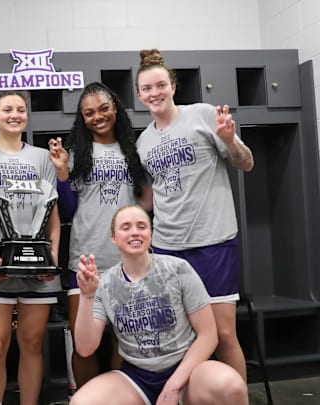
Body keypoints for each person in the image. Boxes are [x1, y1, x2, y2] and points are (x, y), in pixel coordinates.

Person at [134, 49, 254, 381]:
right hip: (168, 248)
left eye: (160, 85)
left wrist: (231, 142)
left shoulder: (202, 114)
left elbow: (246, 162)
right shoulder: (143, 142)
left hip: (212, 242)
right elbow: (151, 199)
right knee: (182, 338)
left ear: (173, 86)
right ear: (139, 95)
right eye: (147, 88)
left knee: (223, 335)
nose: (155, 93)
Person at [70, 205, 248, 405]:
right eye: (126, 227)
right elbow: (85, 348)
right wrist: (87, 297)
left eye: (141, 226)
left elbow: (208, 336)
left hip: (187, 368)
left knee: (232, 387)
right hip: (137, 376)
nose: (135, 232)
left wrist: (173, 386)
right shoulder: (105, 283)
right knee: (81, 402)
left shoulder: (178, 269)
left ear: (151, 234)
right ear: (114, 238)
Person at [48, 81, 151, 387]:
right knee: (84, 344)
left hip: (128, 262)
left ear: (116, 109)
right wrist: (63, 175)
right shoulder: (76, 153)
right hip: (86, 260)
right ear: (83, 118)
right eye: (89, 113)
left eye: (104, 108)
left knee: (127, 340)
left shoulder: (136, 150)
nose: (98, 117)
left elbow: (149, 204)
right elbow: (66, 212)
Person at [0, 90, 61, 405]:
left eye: (20, 109)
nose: (15, 114)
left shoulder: (41, 158)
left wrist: (52, 258)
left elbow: (53, 215)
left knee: (32, 343)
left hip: (38, 266)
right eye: (7, 109)